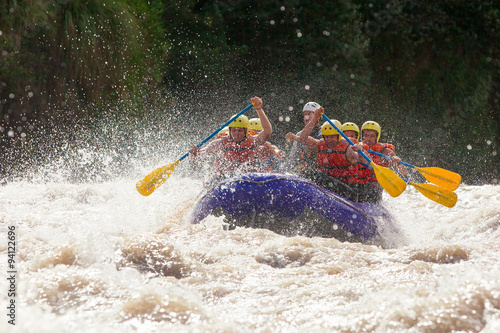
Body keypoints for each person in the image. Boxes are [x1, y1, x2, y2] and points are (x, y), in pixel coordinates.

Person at [188, 97, 272, 184]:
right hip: (225, 179)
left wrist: (259, 109)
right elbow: (199, 155)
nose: (236, 133)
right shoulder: (220, 143)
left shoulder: (253, 141)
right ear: (230, 130)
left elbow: (268, 131)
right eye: (233, 130)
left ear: (246, 131)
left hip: (247, 178)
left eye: (240, 130)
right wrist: (194, 152)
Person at [293, 107, 365, 201]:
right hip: (329, 187)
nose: (329, 140)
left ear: (339, 136)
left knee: (321, 177)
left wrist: (360, 151)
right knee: (307, 173)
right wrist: (315, 118)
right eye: (326, 137)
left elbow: (362, 160)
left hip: (348, 191)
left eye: (332, 137)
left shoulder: (348, 148)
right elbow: (302, 138)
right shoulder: (320, 145)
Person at [357, 120, 405, 203]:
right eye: (366, 135)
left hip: (374, 185)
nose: (368, 138)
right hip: (358, 182)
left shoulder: (384, 150)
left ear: (377, 136)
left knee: (372, 188)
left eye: (372, 135)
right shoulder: (357, 147)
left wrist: (396, 160)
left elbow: (402, 169)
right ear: (362, 136)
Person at [282, 102, 327, 180]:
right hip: (301, 173)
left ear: (318, 117)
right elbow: (293, 158)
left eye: (310, 114)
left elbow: (316, 146)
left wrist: (296, 138)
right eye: (305, 114)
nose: (306, 117)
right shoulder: (299, 133)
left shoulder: (323, 132)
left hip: (317, 174)